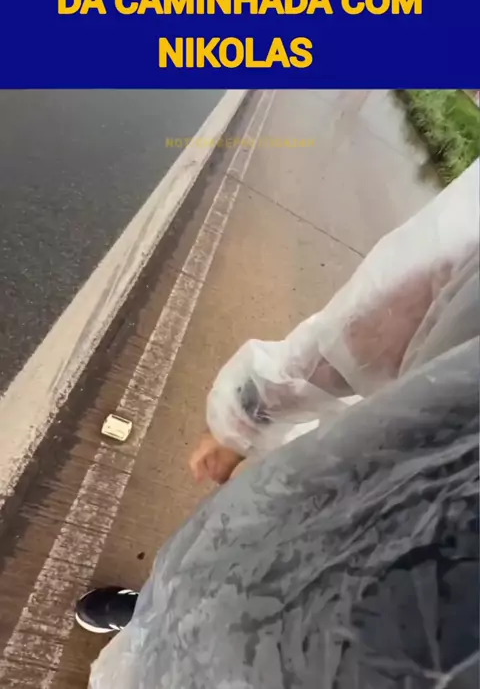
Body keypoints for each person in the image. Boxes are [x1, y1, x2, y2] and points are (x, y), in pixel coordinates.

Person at [78, 161, 479, 688]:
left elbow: (381, 313)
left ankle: (168, 636)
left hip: (398, 521)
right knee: (248, 605)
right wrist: (246, 418)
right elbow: (390, 309)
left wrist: (245, 419)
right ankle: (164, 630)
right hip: (404, 507)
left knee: (262, 603)